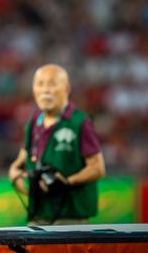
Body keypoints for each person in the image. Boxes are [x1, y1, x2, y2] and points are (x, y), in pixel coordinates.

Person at [8, 64, 105, 225]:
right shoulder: (34, 121)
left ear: (66, 89)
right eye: (40, 84)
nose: (45, 90)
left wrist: (67, 182)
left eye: (52, 84)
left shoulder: (79, 122)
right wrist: (16, 176)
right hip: (38, 214)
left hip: (70, 216)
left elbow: (98, 167)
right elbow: (20, 162)